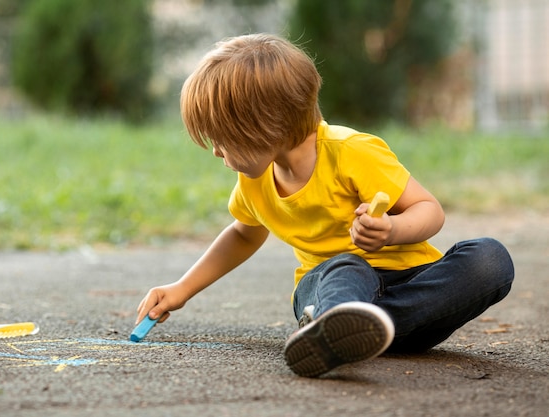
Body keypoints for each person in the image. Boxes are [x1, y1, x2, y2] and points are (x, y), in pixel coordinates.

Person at [135, 33, 515, 378]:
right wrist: (182, 288)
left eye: (223, 139)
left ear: (269, 126)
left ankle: (346, 332)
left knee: (490, 258)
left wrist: (393, 231)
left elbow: (429, 210)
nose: (216, 151)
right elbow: (242, 234)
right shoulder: (255, 180)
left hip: (415, 288)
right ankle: (341, 324)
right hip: (329, 287)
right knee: (345, 266)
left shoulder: (351, 152)